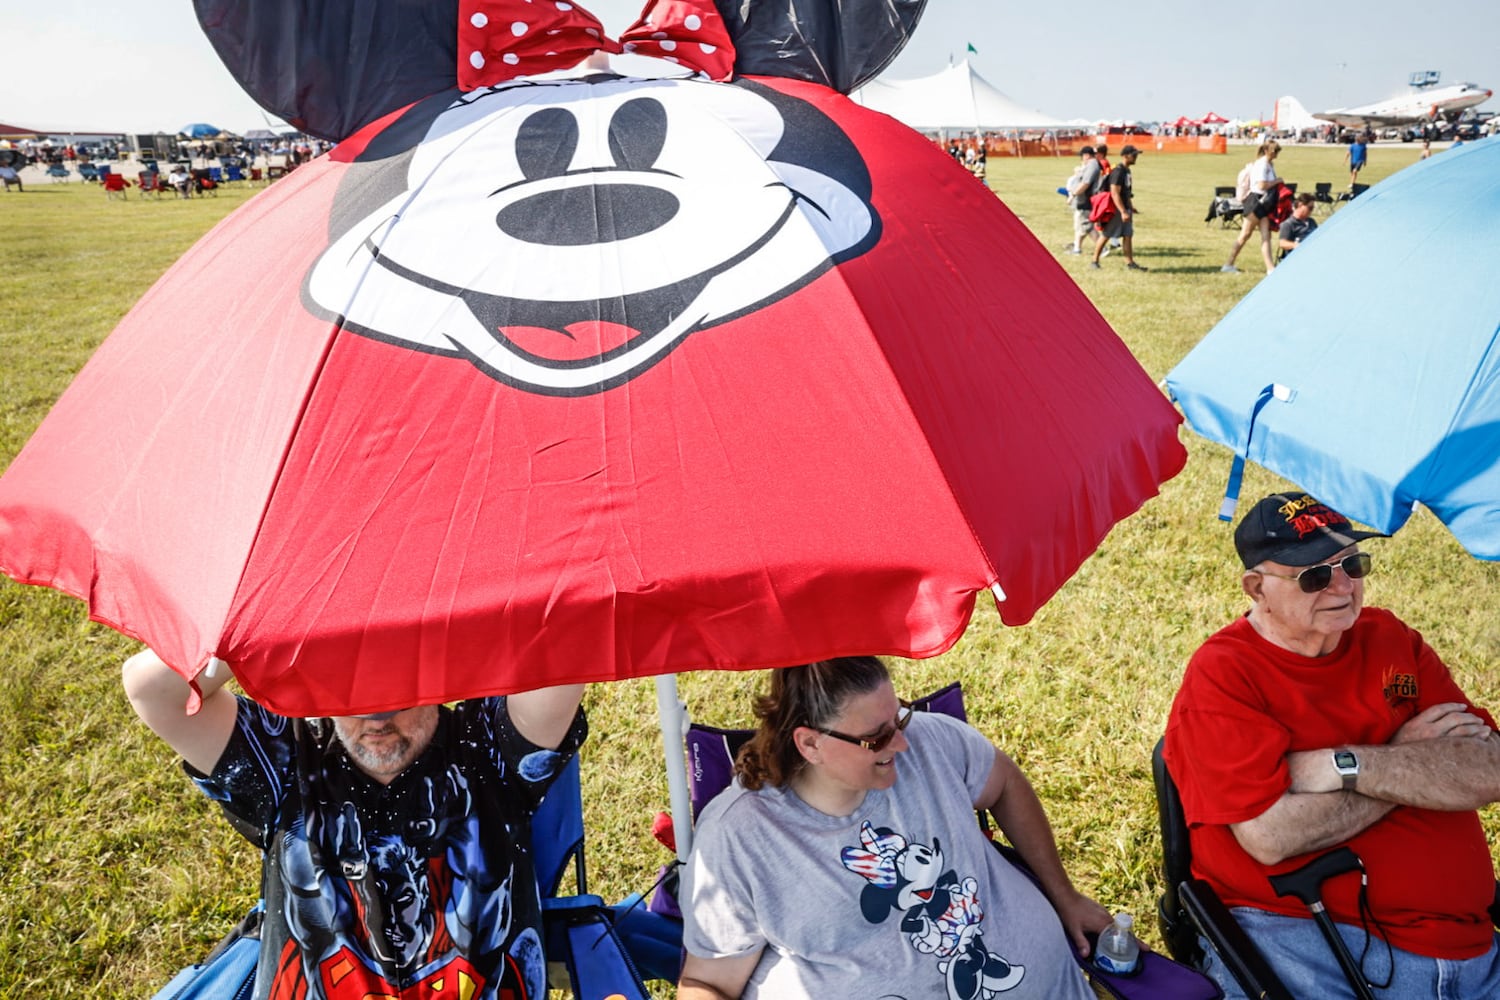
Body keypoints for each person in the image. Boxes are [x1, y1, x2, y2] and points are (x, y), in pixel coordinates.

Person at [1164, 492, 1500, 999]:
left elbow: (1489, 768)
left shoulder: (1389, 638)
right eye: (1314, 576)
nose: (1343, 586)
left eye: (1352, 563)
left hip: (1470, 945)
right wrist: (1411, 762)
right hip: (1311, 941)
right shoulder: (1226, 675)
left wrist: (1345, 764)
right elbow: (1270, 836)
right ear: (1257, 588)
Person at [124, 648, 587, 1000]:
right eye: (348, 684)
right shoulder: (287, 761)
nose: (375, 717)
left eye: (399, 687)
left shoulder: (487, 750)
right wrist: (260, 619)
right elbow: (152, 689)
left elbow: (571, 641)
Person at [678, 656, 1111, 999]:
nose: (902, 743)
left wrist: (1064, 895)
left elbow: (1005, 784)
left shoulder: (931, 742)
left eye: (899, 719)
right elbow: (709, 984)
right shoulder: (741, 839)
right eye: (877, 737)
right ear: (810, 743)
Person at [1222, 140, 1282, 274]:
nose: (1276, 154)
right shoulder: (1261, 165)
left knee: (1266, 236)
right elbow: (1261, 185)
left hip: (1265, 203)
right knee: (1245, 235)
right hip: (1256, 202)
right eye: (1274, 152)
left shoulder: (1269, 165)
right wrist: (1277, 181)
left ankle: (1270, 268)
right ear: (1267, 151)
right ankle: (1228, 264)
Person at [1090, 144, 1146, 271]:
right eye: (1134, 155)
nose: (1136, 157)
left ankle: (1130, 263)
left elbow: (1126, 192)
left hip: (1125, 208)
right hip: (1116, 209)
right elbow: (1114, 192)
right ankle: (1094, 261)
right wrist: (1122, 211)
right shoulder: (1118, 171)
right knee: (1107, 234)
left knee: (1128, 235)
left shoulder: (1127, 171)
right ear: (1125, 156)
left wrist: (1130, 207)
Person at [1063, 146, 1099, 254]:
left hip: (1086, 200)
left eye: (1082, 157)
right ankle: (1077, 249)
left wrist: (1072, 195)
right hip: (1083, 199)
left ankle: (1101, 249)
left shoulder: (1092, 166)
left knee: (1086, 226)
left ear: (1086, 155)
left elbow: (1085, 183)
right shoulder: (1090, 165)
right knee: (1080, 225)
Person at [1276, 192, 1317, 259]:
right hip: (1298, 257)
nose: (1311, 211)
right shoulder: (1288, 224)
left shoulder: (1312, 221)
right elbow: (1282, 243)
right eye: (1310, 208)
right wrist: (1297, 245)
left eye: (1312, 208)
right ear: (1300, 205)